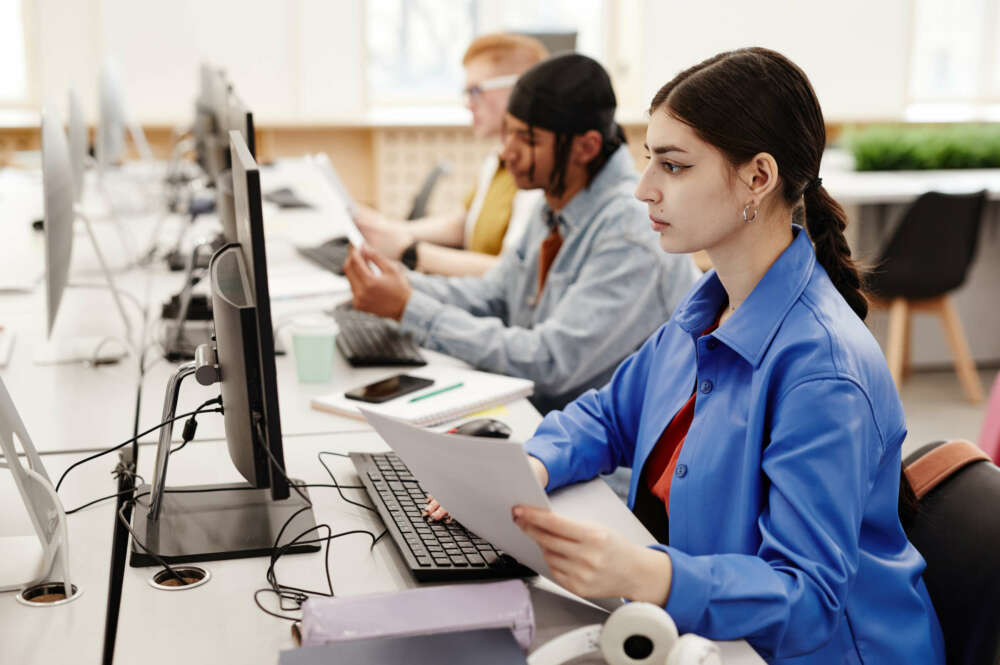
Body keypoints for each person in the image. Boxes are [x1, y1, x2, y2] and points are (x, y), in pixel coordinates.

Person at [427, 48, 945, 663]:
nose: (644, 190)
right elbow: (606, 417)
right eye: (650, 162)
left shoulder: (822, 372)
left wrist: (650, 577)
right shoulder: (708, 306)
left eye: (672, 166)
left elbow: (807, 602)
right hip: (711, 636)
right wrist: (532, 466)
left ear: (758, 177)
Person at [343, 53, 700, 414]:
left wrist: (410, 309)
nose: (507, 152)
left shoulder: (630, 232)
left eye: (527, 140)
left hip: (602, 459)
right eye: (508, 133)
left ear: (586, 147)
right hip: (541, 419)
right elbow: (496, 295)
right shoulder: (557, 203)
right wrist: (395, 285)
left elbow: (548, 363)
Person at [354, 33, 548, 277]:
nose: (468, 103)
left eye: (476, 90)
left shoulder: (538, 175)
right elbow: (463, 223)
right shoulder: (496, 160)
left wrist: (409, 250)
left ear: (520, 88)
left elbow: (512, 276)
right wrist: (387, 230)